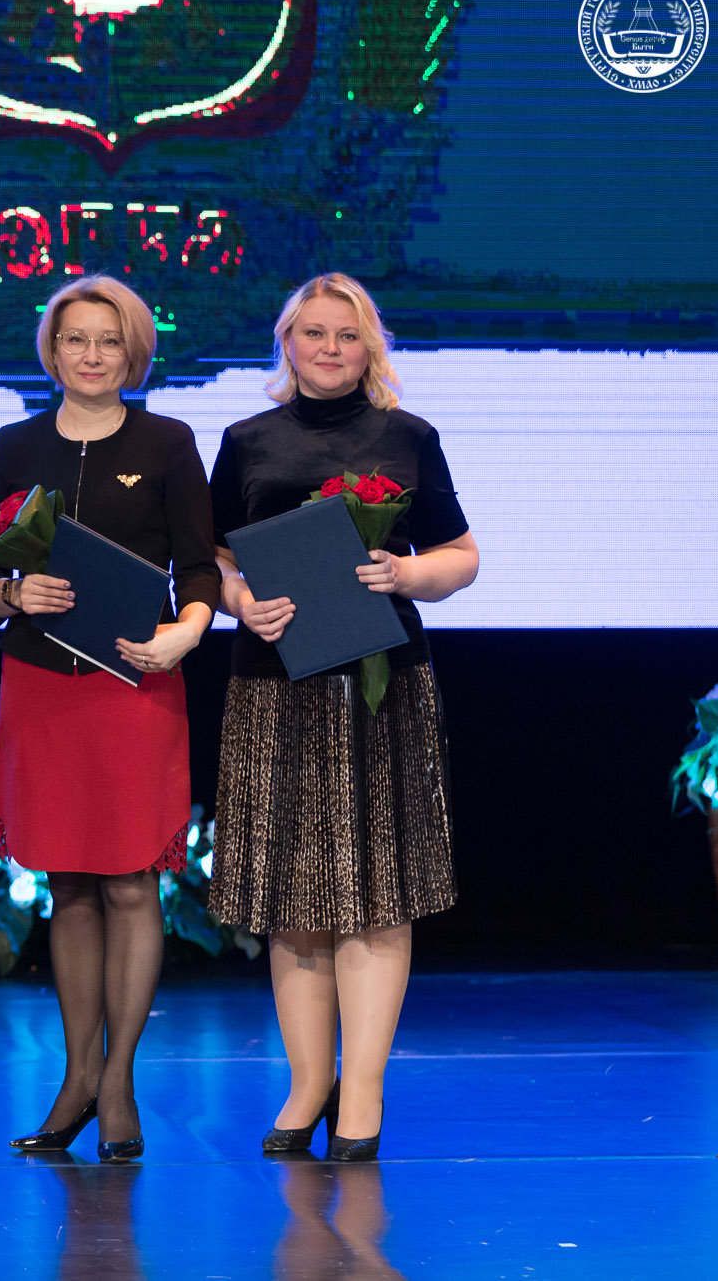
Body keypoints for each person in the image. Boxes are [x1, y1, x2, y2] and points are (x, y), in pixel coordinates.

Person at [208, 273, 479, 1161]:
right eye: (314, 332)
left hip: (380, 682)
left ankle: (361, 1091)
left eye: (347, 334)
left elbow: (461, 554)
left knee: (379, 891)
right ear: (286, 342)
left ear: (371, 347)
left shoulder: (409, 437)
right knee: (293, 894)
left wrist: (406, 573)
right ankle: (307, 1083)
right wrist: (240, 601)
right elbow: (212, 560)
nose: (329, 348)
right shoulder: (245, 441)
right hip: (274, 682)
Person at [0, 275, 219, 1163]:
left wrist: (188, 629)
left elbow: (198, 564)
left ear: (134, 352)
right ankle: (77, 1077)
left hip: (135, 686)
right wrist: (12, 593)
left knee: (129, 882)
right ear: (51, 349)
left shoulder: (168, 442)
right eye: (74, 338)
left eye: (108, 340)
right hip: (43, 687)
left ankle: (118, 1085)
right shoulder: (13, 444)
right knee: (69, 884)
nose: (90, 354)